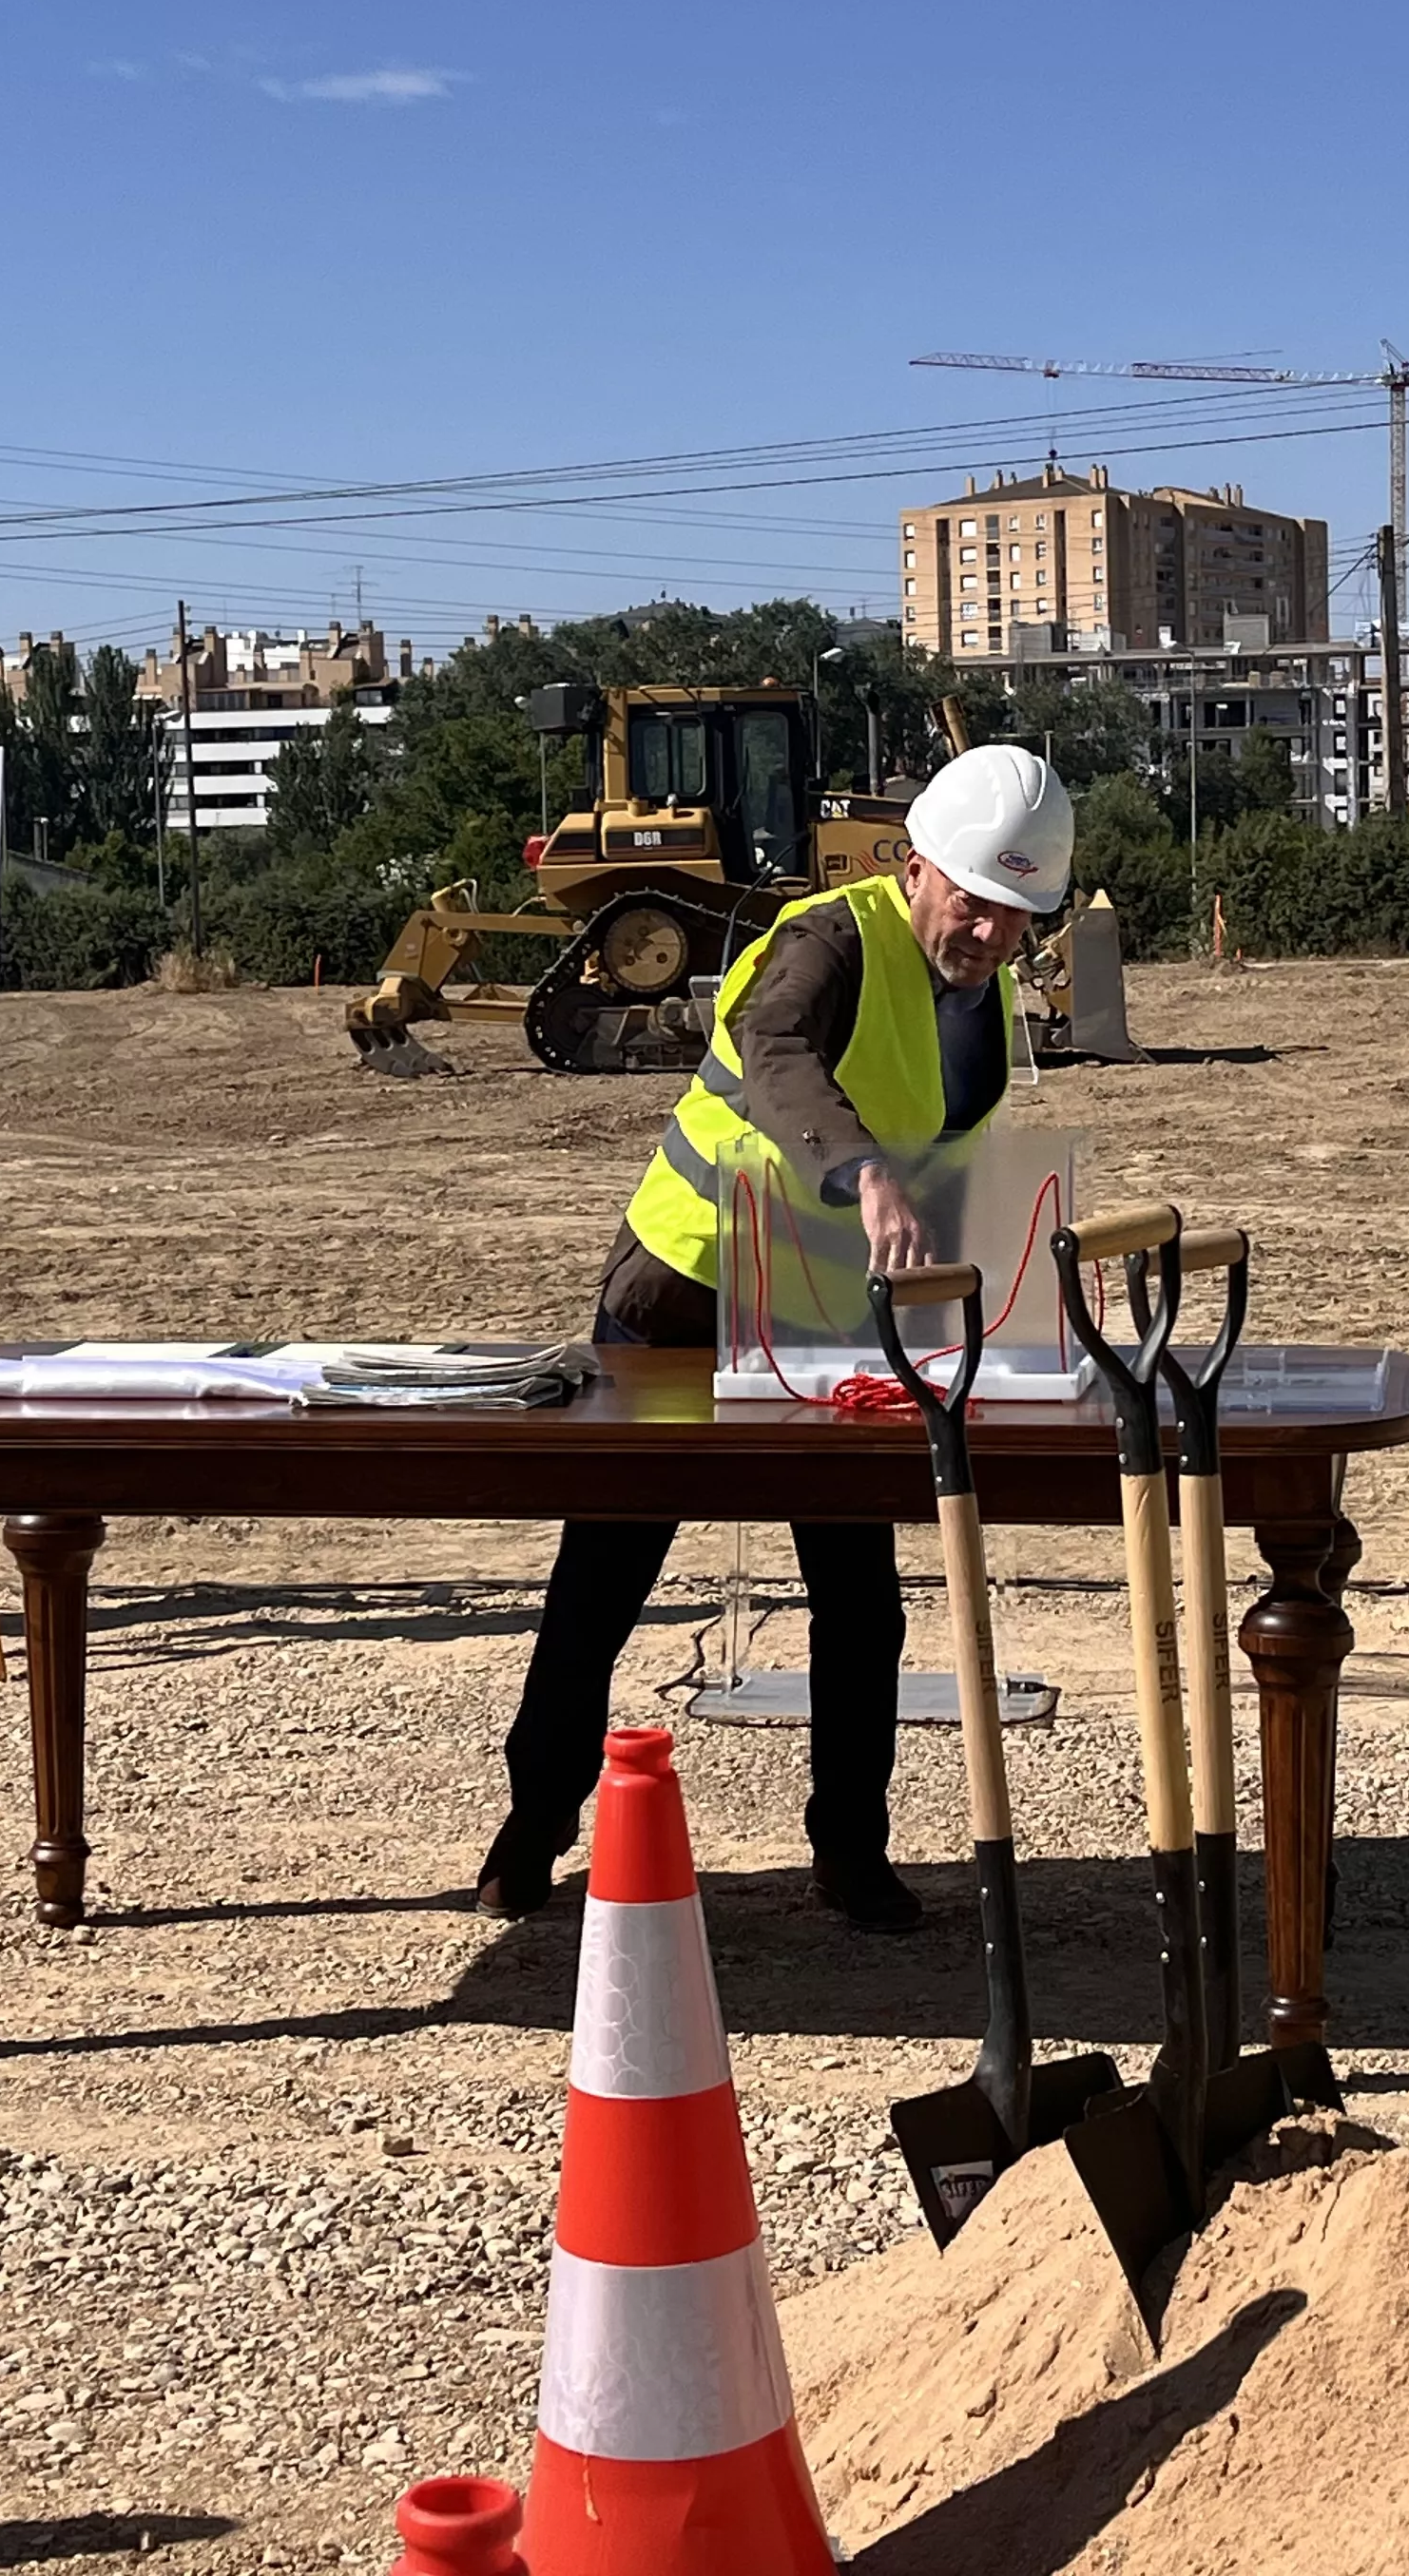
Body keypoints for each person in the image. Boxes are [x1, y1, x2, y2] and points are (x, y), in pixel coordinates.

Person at [474, 742, 1073, 1931]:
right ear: (918, 869)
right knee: (605, 1577)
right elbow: (775, 1050)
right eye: (977, 906)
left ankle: (850, 1853)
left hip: (820, 1312)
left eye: (1020, 918)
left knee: (860, 1595)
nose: (996, 937)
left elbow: (945, 1149)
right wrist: (861, 1173)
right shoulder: (828, 939)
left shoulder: (984, 984)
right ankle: (531, 1833)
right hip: (682, 1295)